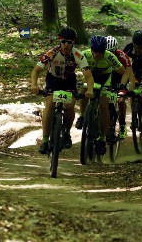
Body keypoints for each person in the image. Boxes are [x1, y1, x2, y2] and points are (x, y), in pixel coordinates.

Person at [30, 26, 93, 154]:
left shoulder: (78, 55)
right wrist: (34, 85)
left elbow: (88, 76)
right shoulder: (52, 53)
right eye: (63, 41)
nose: (66, 45)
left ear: (73, 43)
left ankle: (67, 132)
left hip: (69, 81)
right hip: (53, 80)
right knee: (49, 104)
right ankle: (45, 139)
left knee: (70, 105)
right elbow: (36, 70)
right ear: (60, 41)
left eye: (69, 42)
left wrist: (90, 90)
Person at [76, 35, 126, 155]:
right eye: (95, 51)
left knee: (104, 105)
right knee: (83, 91)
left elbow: (123, 72)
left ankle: (103, 138)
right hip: (90, 77)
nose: (97, 54)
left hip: (105, 80)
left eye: (100, 52)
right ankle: (82, 116)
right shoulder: (84, 54)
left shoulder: (110, 56)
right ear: (91, 49)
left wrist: (122, 86)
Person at [106, 35, 132, 139]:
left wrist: (122, 86)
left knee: (120, 101)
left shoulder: (122, 55)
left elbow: (127, 72)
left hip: (120, 78)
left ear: (116, 49)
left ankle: (122, 125)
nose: (109, 53)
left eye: (112, 51)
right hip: (107, 78)